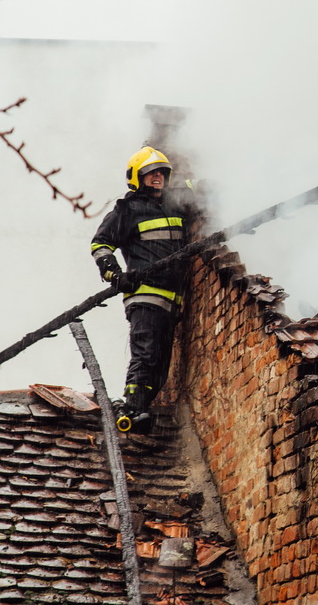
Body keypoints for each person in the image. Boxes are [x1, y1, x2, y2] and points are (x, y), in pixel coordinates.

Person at [90, 147, 191, 432]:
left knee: (160, 365)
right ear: (138, 177)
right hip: (145, 294)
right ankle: (131, 409)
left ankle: (141, 408)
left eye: (162, 172)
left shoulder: (174, 206)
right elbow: (100, 245)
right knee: (145, 354)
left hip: (172, 300)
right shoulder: (128, 209)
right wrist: (114, 274)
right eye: (151, 173)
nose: (157, 177)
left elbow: (198, 193)